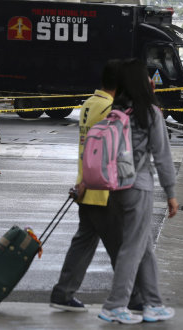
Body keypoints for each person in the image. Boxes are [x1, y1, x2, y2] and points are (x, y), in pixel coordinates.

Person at [50, 60, 142, 312]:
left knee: (84, 241)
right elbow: (113, 152)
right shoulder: (109, 109)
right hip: (104, 188)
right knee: (121, 247)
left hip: (86, 184)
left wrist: (81, 182)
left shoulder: (90, 104)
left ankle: (63, 292)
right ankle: (135, 298)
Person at [98, 58, 178, 324]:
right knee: (133, 248)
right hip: (139, 186)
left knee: (143, 247)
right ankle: (115, 304)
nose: (150, 80)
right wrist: (171, 192)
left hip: (115, 186)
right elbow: (162, 156)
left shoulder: (115, 111)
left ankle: (153, 303)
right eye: (146, 76)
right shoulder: (149, 112)